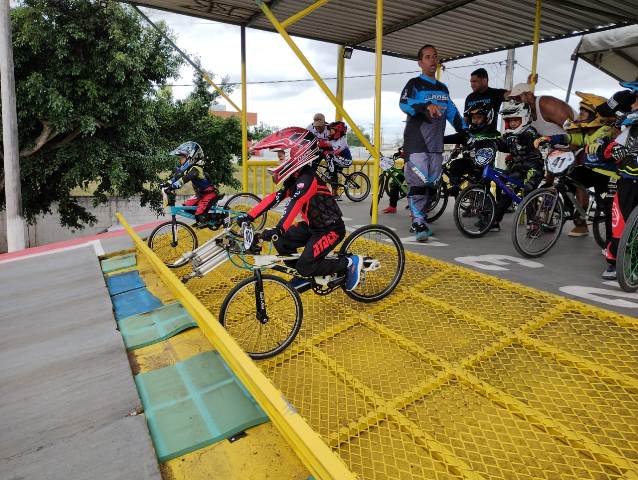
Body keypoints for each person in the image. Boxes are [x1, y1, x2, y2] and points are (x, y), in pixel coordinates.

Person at [237, 127, 363, 291]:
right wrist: (249, 216)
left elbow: (295, 204)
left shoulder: (308, 179)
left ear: (295, 154)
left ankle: (349, 262)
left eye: (281, 156)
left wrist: (279, 229)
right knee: (282, 243)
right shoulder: (295, 177)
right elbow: (274, 198)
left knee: (305, 265)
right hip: (313, 227)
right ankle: (304, 275)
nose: (278, 161)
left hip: (330, 229)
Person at [534, 91, 619, 276]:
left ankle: (614, 259)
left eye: (583, 112)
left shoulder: (606, 131)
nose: (579, 116)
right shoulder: (588, 130)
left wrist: (601, 146)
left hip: (606, 175)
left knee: (609, 210)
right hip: (590, 170)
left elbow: (605, 143)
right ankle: (574, 211)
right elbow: (572, 139)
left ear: (596, 116)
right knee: (566, 177)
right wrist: (551, 139)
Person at [399, 44, 467, 242]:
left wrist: (466, 131)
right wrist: (425, 106)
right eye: (428, 57)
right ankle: (418, 221)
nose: (432, 60)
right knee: (418, 183)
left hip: (436, 146)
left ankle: (421, 217)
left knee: (431, 185)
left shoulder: (443, 89)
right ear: (420, 62)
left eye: (435, 57)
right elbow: (403, 104)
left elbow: (452, 113)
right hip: (417, 144)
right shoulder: (414, 84)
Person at [509, 83, 592, 236]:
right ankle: (545, 220)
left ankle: (581, 224)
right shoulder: (526, 111)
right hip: (556, 149)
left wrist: (570, 151)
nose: (515, 101)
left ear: (528, 95)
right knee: (548, 184)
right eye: (513, 99)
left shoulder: (546, 104)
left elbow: (574, 128)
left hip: (577, 145)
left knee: (579, 183)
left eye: (517, 98)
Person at [597, 82, 638, 280]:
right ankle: (614, 262)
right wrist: (612, 149)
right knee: (619, 221)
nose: (633, 106)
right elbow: (610, 148)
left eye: (636, 102)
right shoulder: (629, 125)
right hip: (628, 179)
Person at [489, 101, 544, 232]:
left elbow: (527, 139)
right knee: (507, 191)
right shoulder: (509, 134)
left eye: (515, 120)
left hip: (533, 167)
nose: (512, 123)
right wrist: (492, 142)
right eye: (510, 120)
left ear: (524, 119)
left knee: (528, 191)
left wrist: (516, 139)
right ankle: (495, 220)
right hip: (518, 167)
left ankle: (534, 223)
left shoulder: (530, 131)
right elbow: (502, 145)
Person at [163, 141, 219, 228]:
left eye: (182, 158)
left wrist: (174, 186)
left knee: (199, 213)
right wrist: (167, 184)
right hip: (201, 195)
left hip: (209, 194)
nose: (180, 160)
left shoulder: (196, 169)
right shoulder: (189, 169)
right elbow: (177, 176)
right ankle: (201, 218)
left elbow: (187, 178)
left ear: (191, 157)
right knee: (187, 207)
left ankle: (211, 219)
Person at [323, 121, 353, 199]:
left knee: (330, 156)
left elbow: (336, 152)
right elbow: (325, 143)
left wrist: (327, 151)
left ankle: (331, 175)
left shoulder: (342, 141)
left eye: (332, 130)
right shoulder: (334, 140)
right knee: (331, 169)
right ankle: (334, 188)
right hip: (340, 160)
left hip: (347, 161)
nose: (330, 132)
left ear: (338, 131)